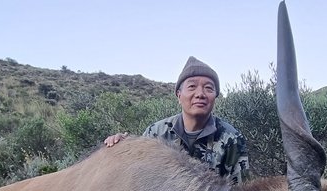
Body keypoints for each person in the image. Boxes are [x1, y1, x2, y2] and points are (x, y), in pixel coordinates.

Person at [104, 57, 250, 184]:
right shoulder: (155, 133)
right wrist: (122, 146)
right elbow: (135, 177)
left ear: (215, 97)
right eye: (192, 87)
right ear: (179, 95)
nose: (200, 94)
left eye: (208, 88)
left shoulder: (232, 138)